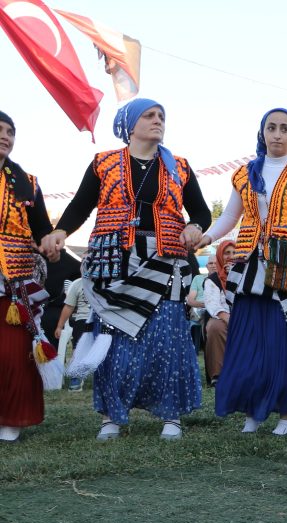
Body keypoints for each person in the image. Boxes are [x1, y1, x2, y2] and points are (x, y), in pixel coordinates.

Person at [42, 98, 210, 441]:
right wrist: (60, 231)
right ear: (130, 125)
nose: (157, 120)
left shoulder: (179, 166)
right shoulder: (103, 163)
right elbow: (79, 206)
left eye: (161, 116)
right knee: (114, 337)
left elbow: (202, 213)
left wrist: (195, 227)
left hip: (166, 260)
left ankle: (171, 416)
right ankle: (111, 417)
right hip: (115, 261)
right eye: (149, 115)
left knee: (169, 335)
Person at [196, 107, 287, 436]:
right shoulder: (244, 173)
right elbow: (230, 217)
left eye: (285, 129)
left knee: (286, 338)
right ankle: (253, 411)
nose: (277, 134)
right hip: (249, 267)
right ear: (262, 132)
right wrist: (207, 236)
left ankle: (286, 416)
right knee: (248, 340)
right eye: (271, 128)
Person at [1, 110, 58, 443]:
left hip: (15, 280)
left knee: (12, 351)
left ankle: (11, 419)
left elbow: (42, 231)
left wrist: (49, 244)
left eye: (11, 131)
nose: (5, 136)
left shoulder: (27, 183)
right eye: (0, 129)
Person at [203, 241, 233, 386]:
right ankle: (218, 374)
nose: (231, 256)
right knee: (216, 328)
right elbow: (211, 302)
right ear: (220, 255)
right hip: (220, 317)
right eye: (227, 253)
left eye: (234, 253)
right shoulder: (212, 280)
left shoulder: (244, 275)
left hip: (242, 315)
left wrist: (234, 275)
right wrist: (225, 316)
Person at [55, 276, 93, 390]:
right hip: (84, 318)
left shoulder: (109, 280)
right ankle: (76, 374)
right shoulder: (77, 283)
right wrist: (59, 326)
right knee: (79, 346)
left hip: (104, 318)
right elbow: (68, 306)